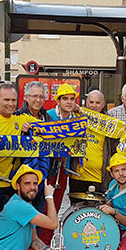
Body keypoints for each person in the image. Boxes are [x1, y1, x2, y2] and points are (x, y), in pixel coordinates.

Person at [0, 83, 39, 222]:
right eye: (6, 100)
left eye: (13, 100)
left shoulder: (21, 119)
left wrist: (32, 129)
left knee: (11, 221)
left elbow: (48, 128)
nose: (11, 104)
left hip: (13, 183)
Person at [46, 83, 80, 211]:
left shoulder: (76, 118)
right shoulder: (48, 116)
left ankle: (51, 231)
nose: (69, 102)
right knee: (44, 207)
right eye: (65, 99)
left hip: (64, 170)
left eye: (72, 99)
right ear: (58, 101)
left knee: (56, 207)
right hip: (48, 169)